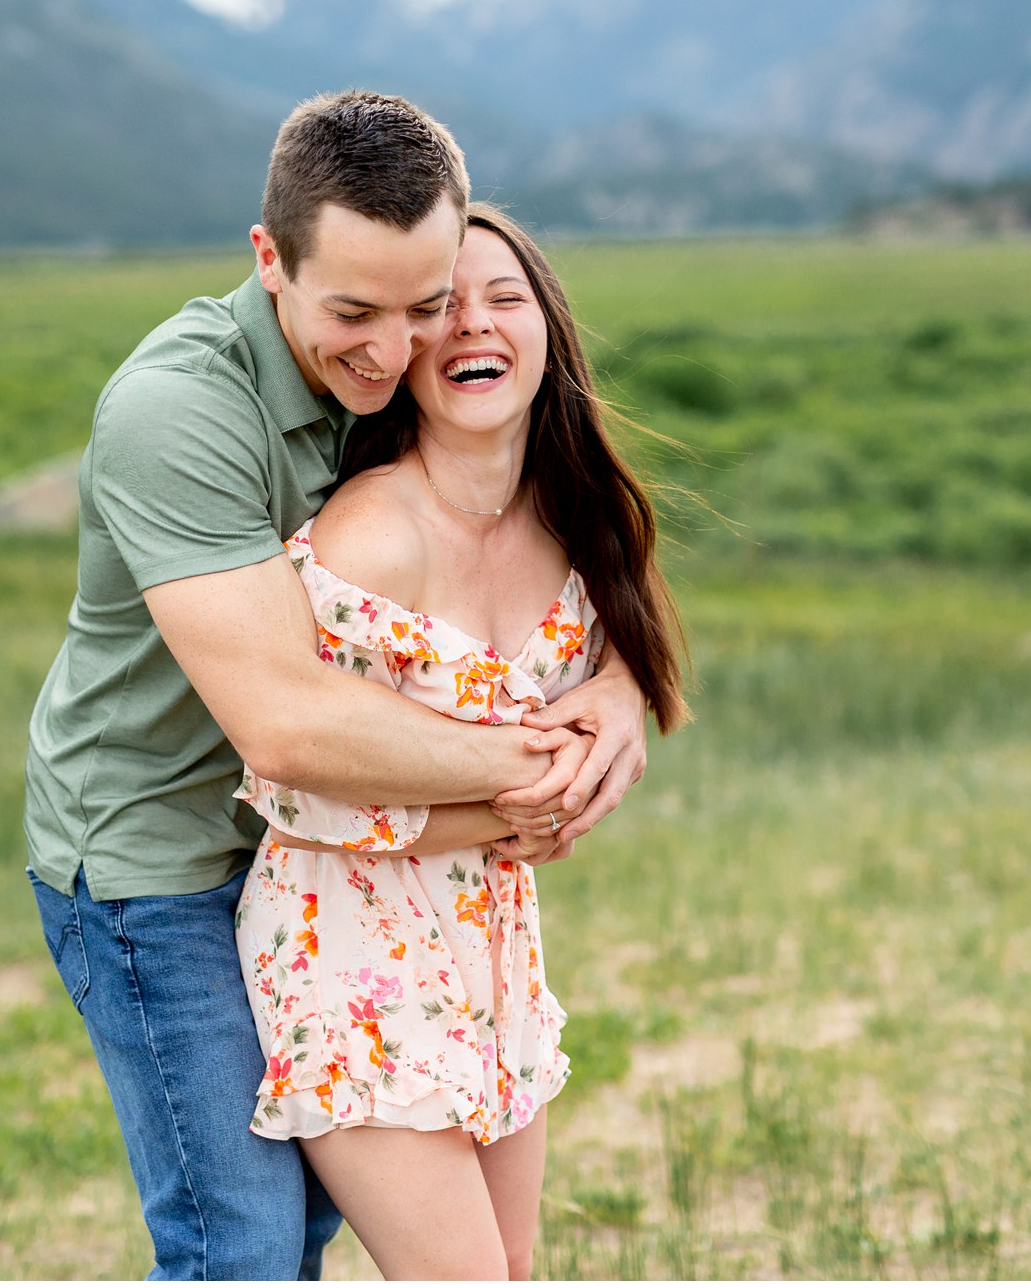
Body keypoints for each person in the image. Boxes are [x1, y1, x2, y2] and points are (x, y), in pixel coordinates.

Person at [24, 92, 655, 1280]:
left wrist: (618, 695)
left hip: (332, 860)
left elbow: (540, 564)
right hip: (156, 853)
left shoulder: (399, 385)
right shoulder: (183, 410)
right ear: (270, 260)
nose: (391, 344)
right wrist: (540, 771)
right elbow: (289, 722)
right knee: (244, 1244)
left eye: (425, 306)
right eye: (352, 311)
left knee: (320, 1229)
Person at [232, 205, 691, 1279]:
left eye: (505, 298)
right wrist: (516, 804)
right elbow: (287, 778)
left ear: (548, 333)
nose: (474, 325)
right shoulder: (370, 535)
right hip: (349, 946)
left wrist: (620, 705)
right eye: (446, 307)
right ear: (406, 350)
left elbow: (629, 664)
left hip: (496, 946)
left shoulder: (575, 527)